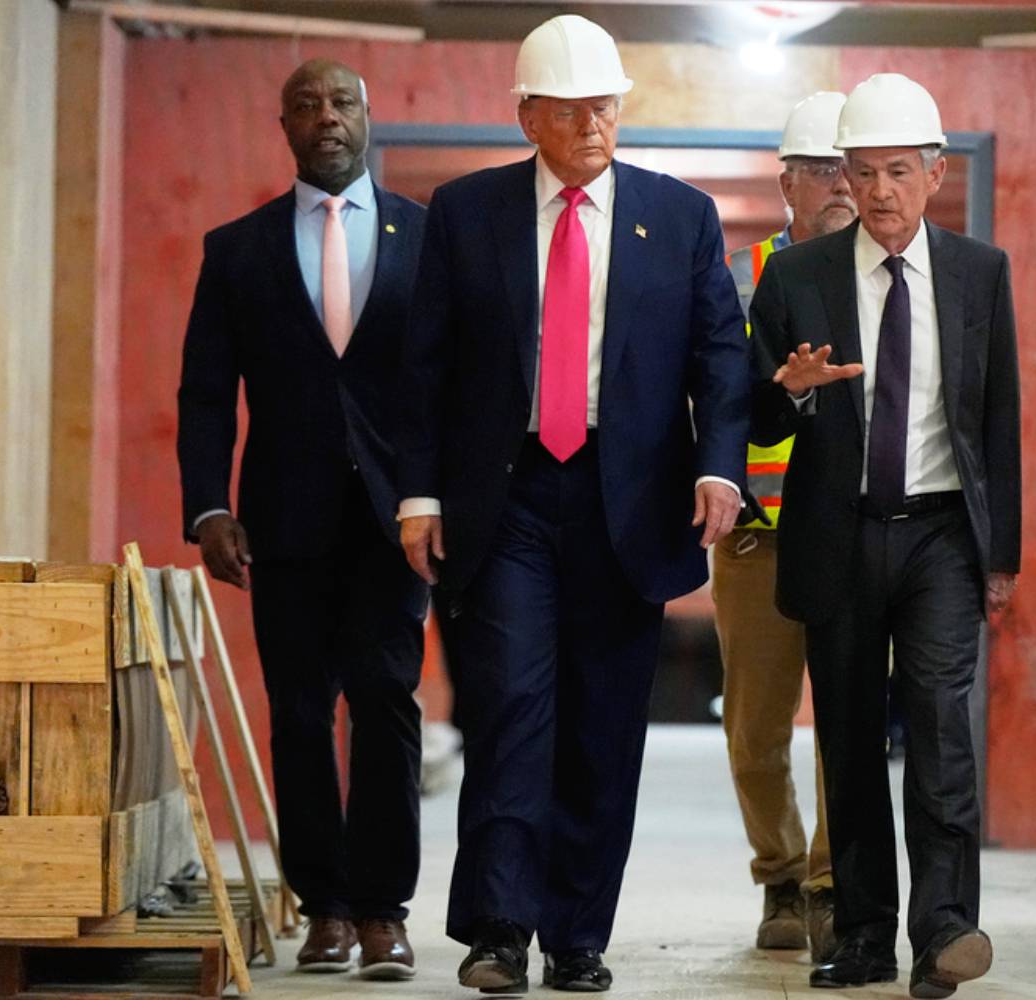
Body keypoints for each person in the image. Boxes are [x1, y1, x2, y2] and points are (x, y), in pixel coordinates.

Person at [395, 15, 749, 995]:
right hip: (505, 496)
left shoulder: (680, 217)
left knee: (602, 725)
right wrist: (419, 493)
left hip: (625, 501)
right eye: (571, 109)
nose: (593, 124)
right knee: (510, 707)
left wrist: (719, 468)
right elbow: (423, 367)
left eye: (606, 107)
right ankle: (498, 930)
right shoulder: (466, 213)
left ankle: (578, 935)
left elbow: (720, 357)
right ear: (529, 118)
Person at [747, 73, 1020, 999]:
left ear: (935, 173)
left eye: (898, 172)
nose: (878, 192)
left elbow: (999, 420)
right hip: (841, 531)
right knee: (852, 740)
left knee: (941, 727)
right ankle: (863, 935)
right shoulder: (797, 276)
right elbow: (752, 416)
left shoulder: (980, 273)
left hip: (942, 535)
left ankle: (945, 930)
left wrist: (1001, 555)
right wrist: (788, 389)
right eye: (861, 173)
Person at [176, 59, 427, 980]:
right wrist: (209, 506)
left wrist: (443, 497)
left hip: (397, 521)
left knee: (386, 702)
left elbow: (455, 380)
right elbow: (207, 393)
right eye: (308, 105)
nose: (328, 117)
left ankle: (383, 912)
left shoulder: (425, 238)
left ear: (368, 117)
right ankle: (324, 908)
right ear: (283, 124)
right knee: (297, 712)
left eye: (343, 102)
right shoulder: (236, 250)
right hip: (282, 521)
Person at [717, 90, 855, 963]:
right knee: (756, 730)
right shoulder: (738, 278)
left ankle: (830, 886)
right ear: (788, 185)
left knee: (847, 721)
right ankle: (779, 876)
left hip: (853, 535)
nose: (841, 183)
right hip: (758, 535)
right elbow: (709, 397)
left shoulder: (882, 277)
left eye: (852, 168)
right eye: (822, 169)